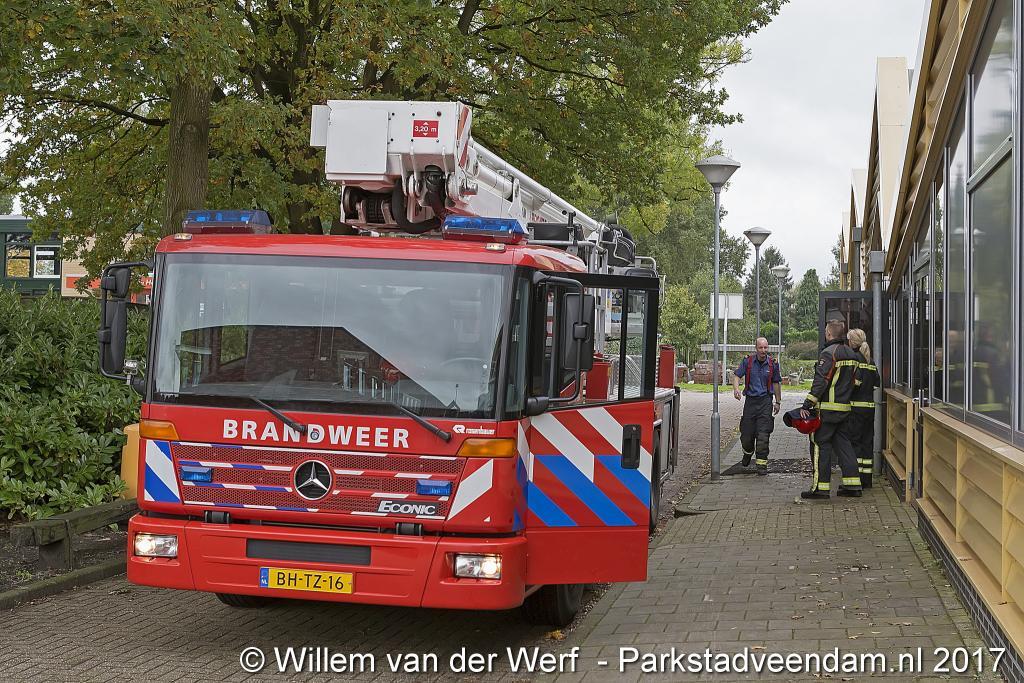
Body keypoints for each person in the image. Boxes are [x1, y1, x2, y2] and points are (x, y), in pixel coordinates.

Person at [799, 320, 861, 500]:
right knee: (844, 445)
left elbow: (821, 381)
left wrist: (807, 403)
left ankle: (820, 488)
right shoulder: (852, 354)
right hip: (844, 409)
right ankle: (853, 486)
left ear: (828, 333)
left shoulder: (828, 353)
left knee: (820, 445)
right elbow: (857, 382)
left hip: (827, 410)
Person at [732, 337, 782, 475]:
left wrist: (778, 402)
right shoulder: (747, 362)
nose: (763, 350)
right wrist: (736, 389)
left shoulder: (772, 364)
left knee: (763, 435)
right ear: (756, 348)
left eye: (765, 347)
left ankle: (761, 465)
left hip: (765, 402)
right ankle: (748, 453)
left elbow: (776, 383)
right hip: (750, 403)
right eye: (761, 347)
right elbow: (737, 376)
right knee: (746, 436)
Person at [847, 328, 879, 488]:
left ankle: (856, 479)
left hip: (856, 409)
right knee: (867, 443)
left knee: (855, 444)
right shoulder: (870, 362)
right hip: (869, 409)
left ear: (852, 342)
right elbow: (876, 384)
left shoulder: (854, 360)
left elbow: (854, 384)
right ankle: (866, 479)